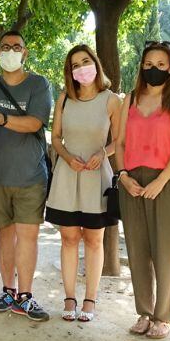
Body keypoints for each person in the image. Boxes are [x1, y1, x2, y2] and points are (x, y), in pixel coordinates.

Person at [113, 41, 170, 340]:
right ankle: (144, 312)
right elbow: (119, 142)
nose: (154, 69)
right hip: (132, 181)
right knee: (137, 248)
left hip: (168, 181)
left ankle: (163, 316)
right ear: (141, 66)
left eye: (161, 65)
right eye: (149, 64)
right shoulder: (130, 99)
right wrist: (123, 176)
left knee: (165, 251)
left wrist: (161, 181)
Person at [0, 30, 54, 322]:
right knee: (4, 235)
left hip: (30, 176)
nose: (11, 50)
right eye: (5, 46)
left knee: (28, 236)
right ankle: (8, 291)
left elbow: (36, 121)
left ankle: (26, 296)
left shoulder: (39, 84)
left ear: (25, 53)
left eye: (17, 46)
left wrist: (4, 119)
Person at [47, 45, 120, 323]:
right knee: (68, 239)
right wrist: (66, 156)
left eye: (85, 61)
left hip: (96, 175)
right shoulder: (64, 99)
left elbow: (119, 141)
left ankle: (90, 298)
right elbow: (55, 138)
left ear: (96, 63)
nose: (81, 68)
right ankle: (69, 296)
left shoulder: (111, 100)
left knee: (93, 239)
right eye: (75, 64)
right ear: (70, 71)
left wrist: (103, 154)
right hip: (67, 175)